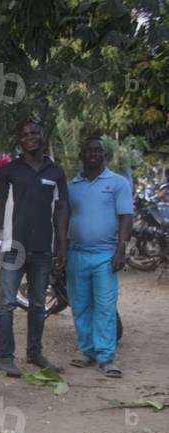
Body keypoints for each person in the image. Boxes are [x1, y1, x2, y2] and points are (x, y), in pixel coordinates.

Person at [0, 117, 69, 376]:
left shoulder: (55, 173)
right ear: (20, 139)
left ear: (43, 136)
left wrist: (61, 246)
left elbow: (60, 211)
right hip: (14, 247)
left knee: (38, 305)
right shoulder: (8, 172)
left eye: (35, 133)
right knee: (6, 304)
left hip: (42, 250)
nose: (30, 137)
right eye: (25, 134)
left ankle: (34, 353)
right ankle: (5, 357)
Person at [64, 136, 133, 378]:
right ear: (81, 156)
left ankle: (106, 357)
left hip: (106, 255)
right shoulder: (71, 186)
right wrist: (61, 251)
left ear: (105, 155)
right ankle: (87, 352)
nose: (93, 154)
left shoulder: (118, 183)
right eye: (89, 151)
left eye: (98, 151)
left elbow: (126, 218)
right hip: (77, 254)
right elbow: (62, 219)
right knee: (81, 305)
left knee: (104, 306)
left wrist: (121, 251)